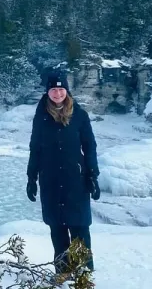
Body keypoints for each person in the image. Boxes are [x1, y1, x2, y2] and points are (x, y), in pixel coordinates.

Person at [26, 70, 100, 274]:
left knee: (80, 231)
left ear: (66, 91)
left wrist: (93, 174)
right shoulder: (40, 116)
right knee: (58, 234)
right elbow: (35, 147)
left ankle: (84, 277)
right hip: (50, 181)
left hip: (76, 181)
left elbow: (90, 145)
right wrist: (31, 177)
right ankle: (63, 277)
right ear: (47, 92)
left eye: (61, 89)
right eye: (53, 89)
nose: (57, 93)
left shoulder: (80, 115)